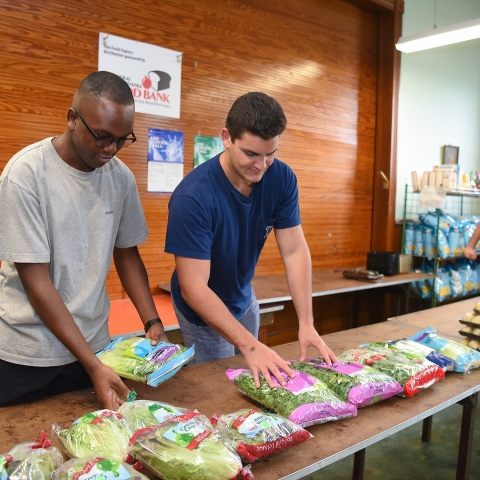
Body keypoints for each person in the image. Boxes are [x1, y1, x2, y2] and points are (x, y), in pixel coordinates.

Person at [0, 71, 168, 409]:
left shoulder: (120, 177)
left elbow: (128, 255)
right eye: (103, 136)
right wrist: (94, 366)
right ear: (72, 119)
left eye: (122, 139)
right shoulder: (26, 174)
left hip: (93, 348)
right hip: (26, 355)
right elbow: (37, 282)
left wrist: (154, 324)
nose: (111, 149)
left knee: (91, 454)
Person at [165, 92, 337, 389]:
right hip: (202, 309)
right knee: (219, 388)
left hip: (243, 298)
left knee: (253, 382)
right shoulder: (192, 197)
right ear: (226, 138)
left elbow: (295, 250)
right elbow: (193, 288)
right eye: (251, 154)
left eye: (270, 153)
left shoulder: (281, 178)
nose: (261, 165)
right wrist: (252, 347)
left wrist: (306, 322)